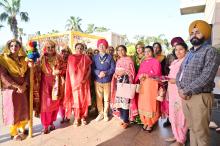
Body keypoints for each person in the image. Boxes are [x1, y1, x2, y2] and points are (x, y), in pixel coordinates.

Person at [176, 20, 220, 146]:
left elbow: (206, 76)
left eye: (198, 32)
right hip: (185, 96)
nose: (194, 35)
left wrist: (185, 90)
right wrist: (180, 88)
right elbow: (180, 72)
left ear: (205, 34)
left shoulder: (210, 51)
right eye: (192, 33)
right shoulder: (190, 53)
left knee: (201, 133)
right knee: (192, 129)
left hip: (200, 97)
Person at [0, 39, 29, 140]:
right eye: (11, 46)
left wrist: (25, 84)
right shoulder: (3, 59)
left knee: (24, 108)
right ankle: (13, 132)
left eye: (16, 46)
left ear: (19, 47)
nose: (14, 48)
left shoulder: (24, 59)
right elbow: (3, 76)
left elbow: (28, 73)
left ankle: (22, 128)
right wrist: (17, 86)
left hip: (23, 88)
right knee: (13, 110)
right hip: (11, 89)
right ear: (8, 47)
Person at [166, 42, 188, 146]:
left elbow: (187, 77)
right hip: (172, 90)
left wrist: (175, 80)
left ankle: (181, 140)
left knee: (180, 115)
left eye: (181, 49)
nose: (178, 52)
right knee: (173, 114)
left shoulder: (187, 61)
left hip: (180, 91)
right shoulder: (175, 61)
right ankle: (176, 135)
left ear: (186, 50)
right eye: (176, 50)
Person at [64, 43, 92, 126]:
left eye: (81, 48)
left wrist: (85, 79)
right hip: (74, 83)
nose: (79, 50)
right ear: (75, 49)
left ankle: (83, 117)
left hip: (84, 82)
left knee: (84, 99)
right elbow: (69, 71)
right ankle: (76, 118)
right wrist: (73, 81)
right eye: (77, 48)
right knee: (76, 101)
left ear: (83, 49)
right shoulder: (71, 57)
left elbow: (89, 69)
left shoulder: (86, 58)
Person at [135, 46, 161, 132]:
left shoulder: (156, 61)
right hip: (143, 85)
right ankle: (145, 122)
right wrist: (140, 77)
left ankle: (150, 123)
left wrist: (147, 75)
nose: (147, 53)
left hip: (151, 85)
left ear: (152, 52)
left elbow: (157, 73)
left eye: (148, 51)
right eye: (145, 52)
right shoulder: (143, 62)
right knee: (142, 103)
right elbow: (139, 73)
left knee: (150, 103)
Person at [111, 45, 137, 129]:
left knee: (125, 102)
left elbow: (132, 72)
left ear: (125, 51)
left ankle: (126, 120)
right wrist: (115, 74)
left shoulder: (129, 60)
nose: (120, 52)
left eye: (122, 50)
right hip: (118, 83)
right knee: (119, 102)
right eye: (118, 50)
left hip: (126, 83)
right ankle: (122, 118)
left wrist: (124, 72)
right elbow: (116, 70)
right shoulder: (118, 60)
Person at [39, 40, 62, 134]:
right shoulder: (42, 58)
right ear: (45, 48)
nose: (50, 49)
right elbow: (37, 69)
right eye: (48, 47)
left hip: (56, 82)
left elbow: (63, 67)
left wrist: (59, 71)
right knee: (46, 104)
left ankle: (52, 122)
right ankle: (45, 125)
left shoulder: (58, 57)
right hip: (45, 83)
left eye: (52, 47)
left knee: (55, 103)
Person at [92, 39, 115, 122]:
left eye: (103, 45)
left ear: (106, 47)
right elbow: (92, 68)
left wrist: (105, 73)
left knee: (106, 98)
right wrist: (98, 72)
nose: (101, 47)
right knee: (99, 98)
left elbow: (113, 69)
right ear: (98, 47)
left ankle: (105, 113)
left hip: (107, 80)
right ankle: (100, 113)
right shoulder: (94, 57)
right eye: (100, 45)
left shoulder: (110, 57)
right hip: (97, 80)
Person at [59, 45, 71, 124]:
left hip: (70, 81)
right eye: (63, 51)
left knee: (69, 99)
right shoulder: (58, 60)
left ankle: (68, 116)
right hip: (61, 82)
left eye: (66, 51)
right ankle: (63, 116)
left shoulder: (71, 60)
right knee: (61, 100)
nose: (64, 53)